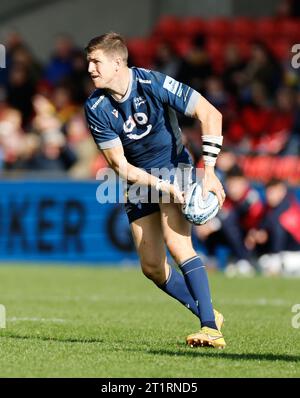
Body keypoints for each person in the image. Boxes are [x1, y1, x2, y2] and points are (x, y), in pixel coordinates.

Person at [84, 32, 226, 348]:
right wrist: (162, 186)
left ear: (118, 62)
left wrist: (210, 171)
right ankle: (209, 313)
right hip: (139, 180)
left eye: (96, 62)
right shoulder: (95, 106)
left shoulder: (153, 83)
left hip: (174, 165)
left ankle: (210, 328)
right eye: (89, 62)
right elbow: (120, 166)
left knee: (178, 245)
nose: (91, 69)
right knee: (151, 266)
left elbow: (210, 114)